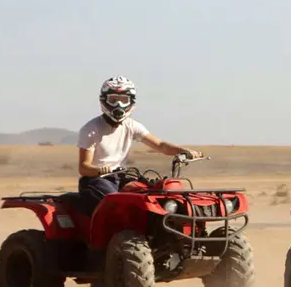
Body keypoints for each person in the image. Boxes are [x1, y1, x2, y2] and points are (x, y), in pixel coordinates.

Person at [76, 76, 202, 213]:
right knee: (116, 202)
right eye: (113, 99)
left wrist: (182, 150)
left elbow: (160, 145)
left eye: (124, 100)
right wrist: (101, 170)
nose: (118, 104)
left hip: (121, 177)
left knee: (152, 196)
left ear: (131, 101)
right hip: (95, 180)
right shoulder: (91, 129)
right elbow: (84, 167)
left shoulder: (131, 125)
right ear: (104, 100)